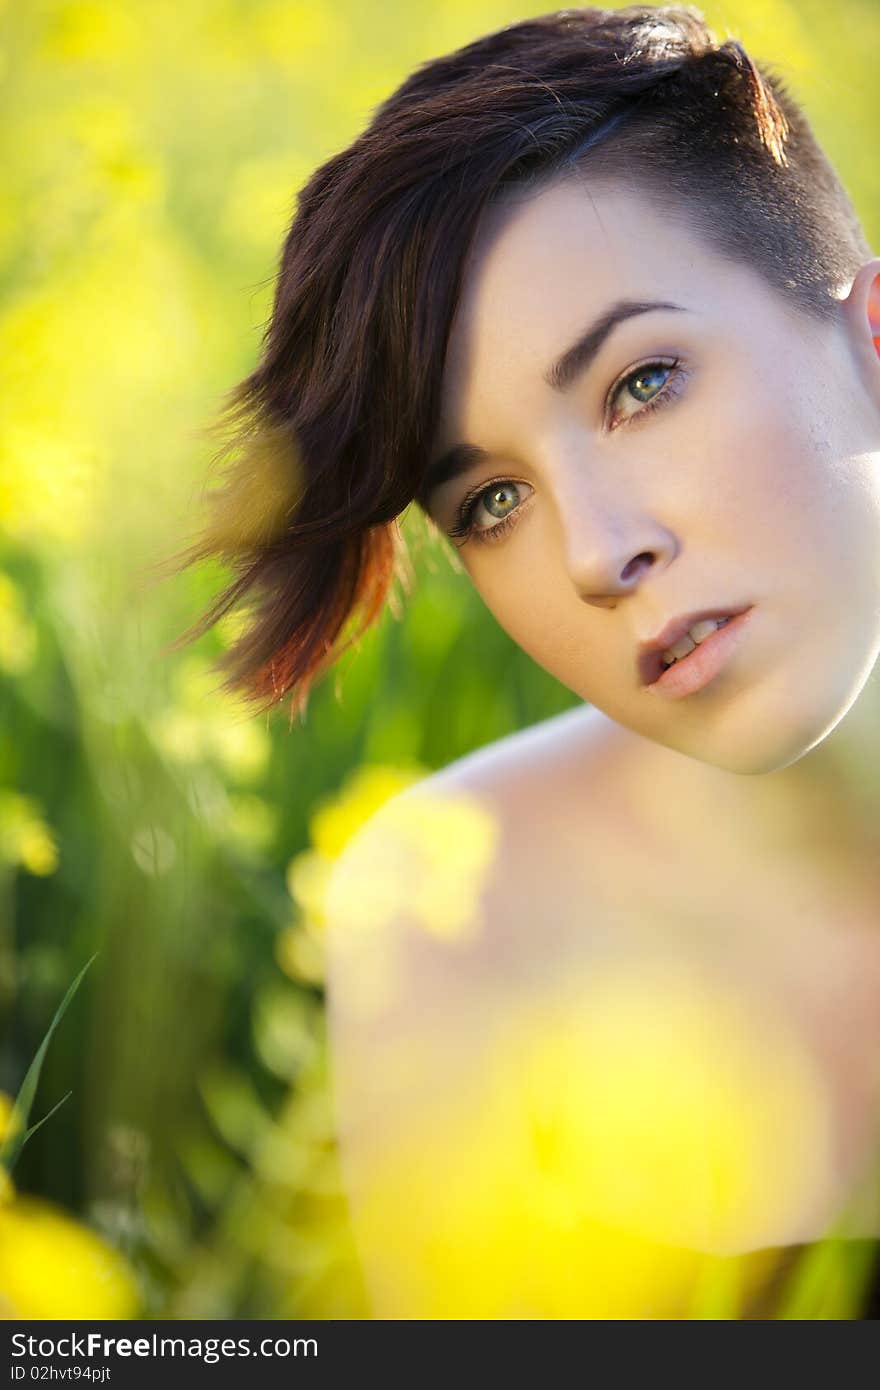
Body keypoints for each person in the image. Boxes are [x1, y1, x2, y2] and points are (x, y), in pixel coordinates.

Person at [168, 6, 880, 1317]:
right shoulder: (458, 908)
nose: (598, 554)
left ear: (871, 334)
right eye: (490, 501)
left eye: (643, 382)